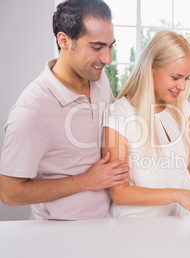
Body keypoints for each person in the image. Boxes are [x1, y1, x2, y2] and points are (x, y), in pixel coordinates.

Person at [0, 0, 129, 220]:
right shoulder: (31, 111)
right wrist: (87, 180)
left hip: (107, 227)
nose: (107, 58)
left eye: (110, 46)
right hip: (57, 236)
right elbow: (10, 193)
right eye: (97, 47)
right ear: (64, 41)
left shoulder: (98, 78)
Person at [102, 30, 190, 218]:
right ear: (151, 67)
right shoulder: (119, 114)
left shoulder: (183, 110)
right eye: (176, 77)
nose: (183, 86)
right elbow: (119, 193)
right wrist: (177, 194)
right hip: (130, 230)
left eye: (186, 78)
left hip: (171, 226)